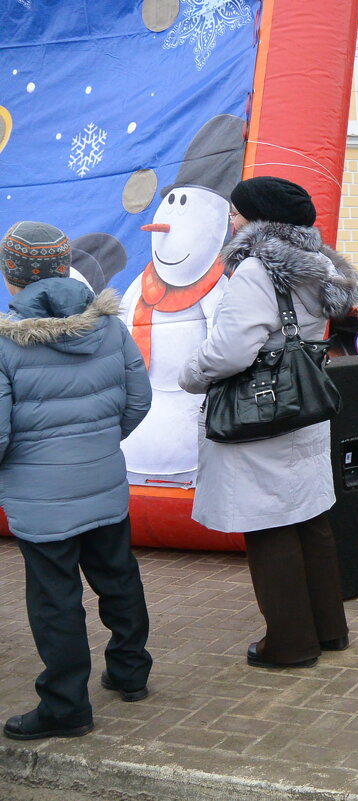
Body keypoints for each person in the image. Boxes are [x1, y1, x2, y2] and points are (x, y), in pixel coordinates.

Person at [178, 176, 357, 669]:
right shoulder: (321, 265)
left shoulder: (258, 270)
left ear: (259, 220)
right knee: (309, 517)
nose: (231, 220)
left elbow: (231, 350)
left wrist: (189, 374)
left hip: (258, 414)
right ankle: (328, 629)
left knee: (268, 523)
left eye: (236, 212)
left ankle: (290, 643)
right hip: (304, 406)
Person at [0, 221, 153, 741]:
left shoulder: (4, 341)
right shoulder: (107, 324)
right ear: (65, 268)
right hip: (104, 479)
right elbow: (139, 399)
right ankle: (131, 673)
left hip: (40, 499)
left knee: (54, 599)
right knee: (118, 577)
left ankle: (67, 705)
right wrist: (101, 443)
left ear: (12, 276)